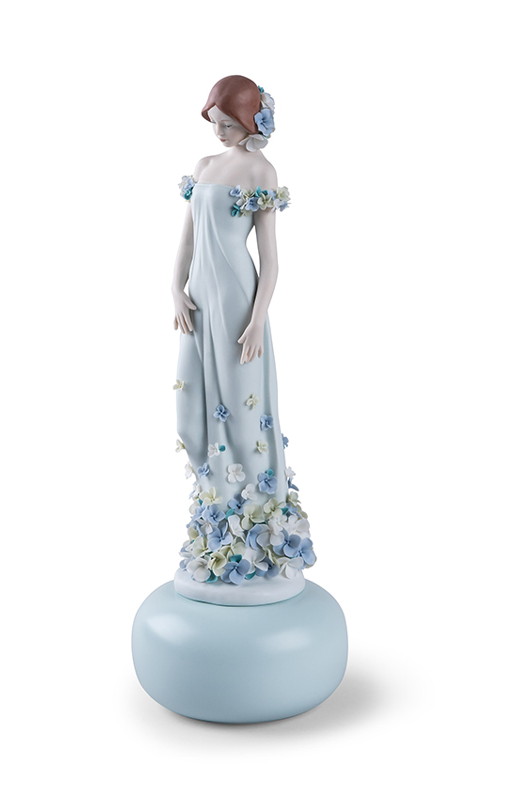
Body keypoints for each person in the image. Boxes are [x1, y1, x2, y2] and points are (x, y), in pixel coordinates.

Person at [170, 75, 315, 603]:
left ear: (252, 121)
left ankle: (255, 534)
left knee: (243, 412)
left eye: (230, 124)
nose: (221, 133)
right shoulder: (204, 167)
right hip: (199, 303)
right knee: (193, 410)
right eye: (215, 123)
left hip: (237, 305)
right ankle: (215, 518)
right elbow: (188, 239)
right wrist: (175, 288)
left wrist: (257, 319)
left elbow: (270, 260)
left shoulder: (260, 171)